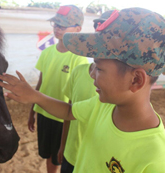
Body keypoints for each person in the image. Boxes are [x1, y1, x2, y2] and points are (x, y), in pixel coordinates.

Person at [0, 7, 165, 172]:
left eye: (98, 68)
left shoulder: (155, 159)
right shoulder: (102, 106)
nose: (91, 74)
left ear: (136, 80)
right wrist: (35, 96)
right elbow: (69, 111)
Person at [27, 5, 88, 173]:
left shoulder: (79, 59)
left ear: (78, 29)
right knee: (48, 156)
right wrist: (32, 111)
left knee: (61, 157)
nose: (57, 28)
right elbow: (40, 84)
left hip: (63, 119)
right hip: (44, 114)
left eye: (62, 25)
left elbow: (74, 99)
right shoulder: (47, 53)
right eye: (55, 24)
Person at [58, 10, 114, 173]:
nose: (93, 76)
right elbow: (69, 111)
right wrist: (63, 145)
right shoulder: (78, 72)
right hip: (72, 154)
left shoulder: (119, 97)